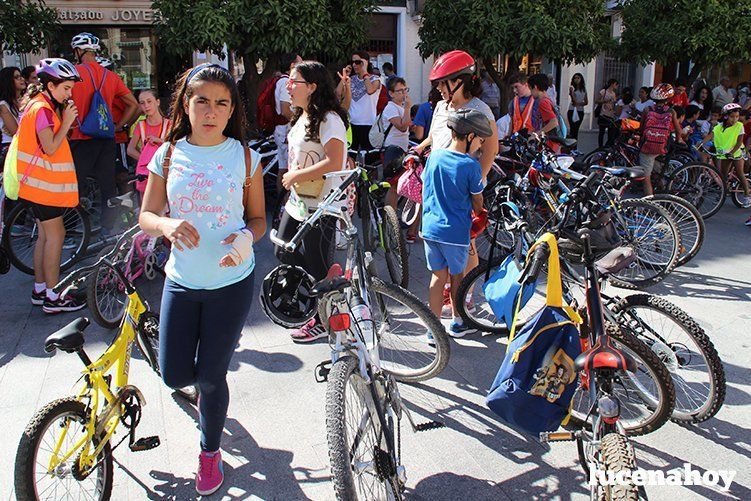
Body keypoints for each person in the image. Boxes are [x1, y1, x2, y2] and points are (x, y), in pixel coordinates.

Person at [138, 63, 266, 495]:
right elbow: (146, 215)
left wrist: (246, 239)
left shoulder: (246, 157)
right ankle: (205, 387)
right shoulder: (169, 154)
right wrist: (166, 227)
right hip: (182, 281)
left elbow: (259, 219)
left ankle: (209, 454)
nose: (211, 111)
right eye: (202, 101)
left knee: (212, 376)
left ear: (232, 111)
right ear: (186, 106)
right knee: (173, 376)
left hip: (232, 284)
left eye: (221, 103)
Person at [414, 50, 498, 332]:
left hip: (461, 187)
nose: (438, 88)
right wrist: (422, 147)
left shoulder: (480, 110)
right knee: (457, 252)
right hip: (439, 184)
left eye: (444, 82)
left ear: (461, 81)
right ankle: (457, 309)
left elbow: (491, 148)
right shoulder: (441, 106)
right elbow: (435, 136)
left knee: (467, 248)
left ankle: (466, 301)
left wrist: (477, 181)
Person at [274, 61, 349, 343]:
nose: (288, 87)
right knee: (283, 250)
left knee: (315, 264)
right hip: (298, 201)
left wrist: (295, 175)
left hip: (322, 204)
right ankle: (329, 287)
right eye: (288, 81)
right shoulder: (302, 117)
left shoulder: (329, 119)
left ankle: (322, 318)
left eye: (295, 82)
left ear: (313, 87)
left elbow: (335, 161)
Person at [16, 59, 84, 312]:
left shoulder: (38, 105)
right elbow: (50, 147)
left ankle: (40, 289)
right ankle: (54, 297)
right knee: (56, 236)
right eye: (66, 88)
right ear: (50, 84)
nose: (69, 93)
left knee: (45, 237)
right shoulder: (42, 109)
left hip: (36, 188)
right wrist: (66, 121)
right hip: (44, 189)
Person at [422, 109, 489, 341]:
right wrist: (480, 212)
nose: (480, 145)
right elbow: (477, 200)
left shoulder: (434, 156)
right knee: (457, 276)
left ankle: (432, 328)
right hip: (455, 231)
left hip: (430, 228)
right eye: (480, 139)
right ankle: (458, 321)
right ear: (470, 136)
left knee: (437, 277)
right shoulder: (470, 165)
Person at [69, 32, 138, 235]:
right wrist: (119, 126)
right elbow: (133, 105)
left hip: (79, 137)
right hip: (106, 138)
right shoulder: (111, 76)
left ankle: (72, 231)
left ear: (78, 51)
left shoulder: (72, 73)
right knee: (108, 185)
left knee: (76, 185)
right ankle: (108, 229)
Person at [698, 103, 751, 207]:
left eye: (737, 116)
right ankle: (722, 193)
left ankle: (747, 195)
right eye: (732, 117)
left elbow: (739, 142)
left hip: (737, 152)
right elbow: (710, 135)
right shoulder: (718, 127)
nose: (735, 119)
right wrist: (701, 143)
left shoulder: (739, 126)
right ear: (726, 116)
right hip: (725, 154)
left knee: (740, 173)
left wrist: (732, 152)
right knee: (723, 175)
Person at [638, 83, 684, 195]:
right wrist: (679, 140)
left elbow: (641, 128)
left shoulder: (647, 110)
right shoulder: (671, 111)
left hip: (648, 147)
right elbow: (678, 130)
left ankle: (649, 204)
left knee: (646, 179)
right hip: (663, 146)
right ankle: (664, 192)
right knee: (658, 170)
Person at [126, 89, 171, 194]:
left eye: (149, 101)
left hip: (165, 173)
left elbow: (177, 148)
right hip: (146, 174)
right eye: (142, 103)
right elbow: (130, 150)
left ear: (158, 102)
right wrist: (146, 160)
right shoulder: (140, 125)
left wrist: (160, 141)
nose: (146, 106)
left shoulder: (169, 124)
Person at [336, 50, 380, 150]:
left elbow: (370, 90)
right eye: (353, 62)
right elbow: (338, 94)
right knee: (351, 156)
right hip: (352, 124)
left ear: (366, 62)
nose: (354, 65)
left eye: (358, 62)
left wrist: (364, 72)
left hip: (368, 124)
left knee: (368, 157)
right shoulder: (351, 79)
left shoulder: (375, 79)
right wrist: (344, 79)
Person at [380, 77, 412, 209]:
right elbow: (402, 126)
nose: (404, 93)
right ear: (391, 93)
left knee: (400, 184)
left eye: (405, 90)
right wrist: (408, 107)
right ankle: (390, 219)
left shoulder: (400, 107)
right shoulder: (390, 108)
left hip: (402, 147)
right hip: (393, 149)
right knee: (393, 185)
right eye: (399, 91)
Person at [273, 53, 302, 194]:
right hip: (286, 130)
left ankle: (282, 207)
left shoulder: (282, 81)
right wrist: (301, 123)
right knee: (286, 170)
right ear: (292, 66)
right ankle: (283, 205)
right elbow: (285, 110)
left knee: (284, 168)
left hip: (282, 129)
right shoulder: (286, 83)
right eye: (300, 64)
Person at [0, 66, 26, 165]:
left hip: (23, 146)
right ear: (8, 81)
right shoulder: (3, 105)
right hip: (10, 148)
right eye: (17, 77)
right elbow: (16, 131)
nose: (22, 79)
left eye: (21, 76)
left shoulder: (24, 101)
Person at [596, 78, 619, 147]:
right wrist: (605, 101)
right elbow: (596, 100)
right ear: (612, 84)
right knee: (601, 132)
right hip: (603, 113)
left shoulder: (614, 94)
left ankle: (607, 146)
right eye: (616, 84)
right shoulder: (603, 91)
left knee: (611, 132)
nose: (617, 86)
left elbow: (613, 103)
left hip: (610, 114)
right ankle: (600, 146)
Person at [567, 73, 587, 141]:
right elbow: (574, 100)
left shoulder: (584, 89)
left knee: (576, 129)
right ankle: (571, 146)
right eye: (575, 78)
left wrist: (579, 104)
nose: (576, 80)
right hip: (572, 110)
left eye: (578, 78)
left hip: (580, 111)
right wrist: (572, 93)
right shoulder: (572, 88)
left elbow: (586, 102)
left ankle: (575, 146)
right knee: (572, 129)